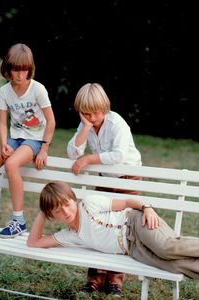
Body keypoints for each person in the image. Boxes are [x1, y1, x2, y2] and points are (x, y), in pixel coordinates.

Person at [27, 180, 199, 297]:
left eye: (66, 204)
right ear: (51, 215)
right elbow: (34, 242)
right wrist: (42, 210)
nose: (66, 212)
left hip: (136, 224)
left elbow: (129, 202)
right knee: (178, 265)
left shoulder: (89, 204)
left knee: (169, 248)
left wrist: (147, 208)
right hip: (132, 250)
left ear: (73, 199)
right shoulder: (69, 236)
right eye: (57, 211)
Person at [0, 43, 56, 238]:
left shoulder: (38, 89)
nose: (20, 74)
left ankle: (19, 220)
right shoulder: (4, 92)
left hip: (34, 139)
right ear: (7, 69)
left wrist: (44, 149)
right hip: (14, 138)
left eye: (24, 69)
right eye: (16, 69)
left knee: (11, 164)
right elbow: (1, 123)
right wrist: (3, 143)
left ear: (30, 69)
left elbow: (51, 121)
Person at [67, 83, 142, 296]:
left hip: (127, 178)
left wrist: (89, 158)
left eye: (96, 113)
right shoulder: (87, 126)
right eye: (86, 114)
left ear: (105, 108)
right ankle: (95, 277)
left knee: (121, 225)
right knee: (96, 223)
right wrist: (85, 129)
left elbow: (118, 155)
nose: (92, 118)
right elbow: (73, 152)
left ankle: (115, 278)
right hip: (106, 178)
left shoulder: (117, 123)